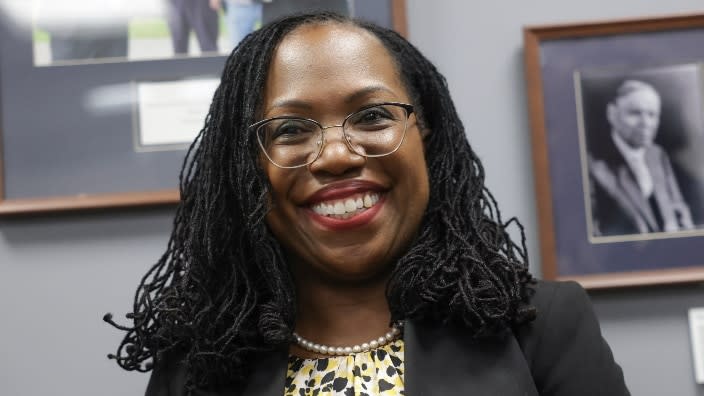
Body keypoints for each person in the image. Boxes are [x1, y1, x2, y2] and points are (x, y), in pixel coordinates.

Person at [105, 12, 630, 395]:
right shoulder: (196, 364)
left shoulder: (542, 326)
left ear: (427, 136)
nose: (335, 155)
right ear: (247, 168)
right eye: (289, 128)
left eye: (373, 116)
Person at [588, 79, 693, 237]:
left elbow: (678, 208)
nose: (646, 123)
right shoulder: (593, 165)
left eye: (652, 114)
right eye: (635, 113)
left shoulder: (657, 154)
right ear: (612, 114)